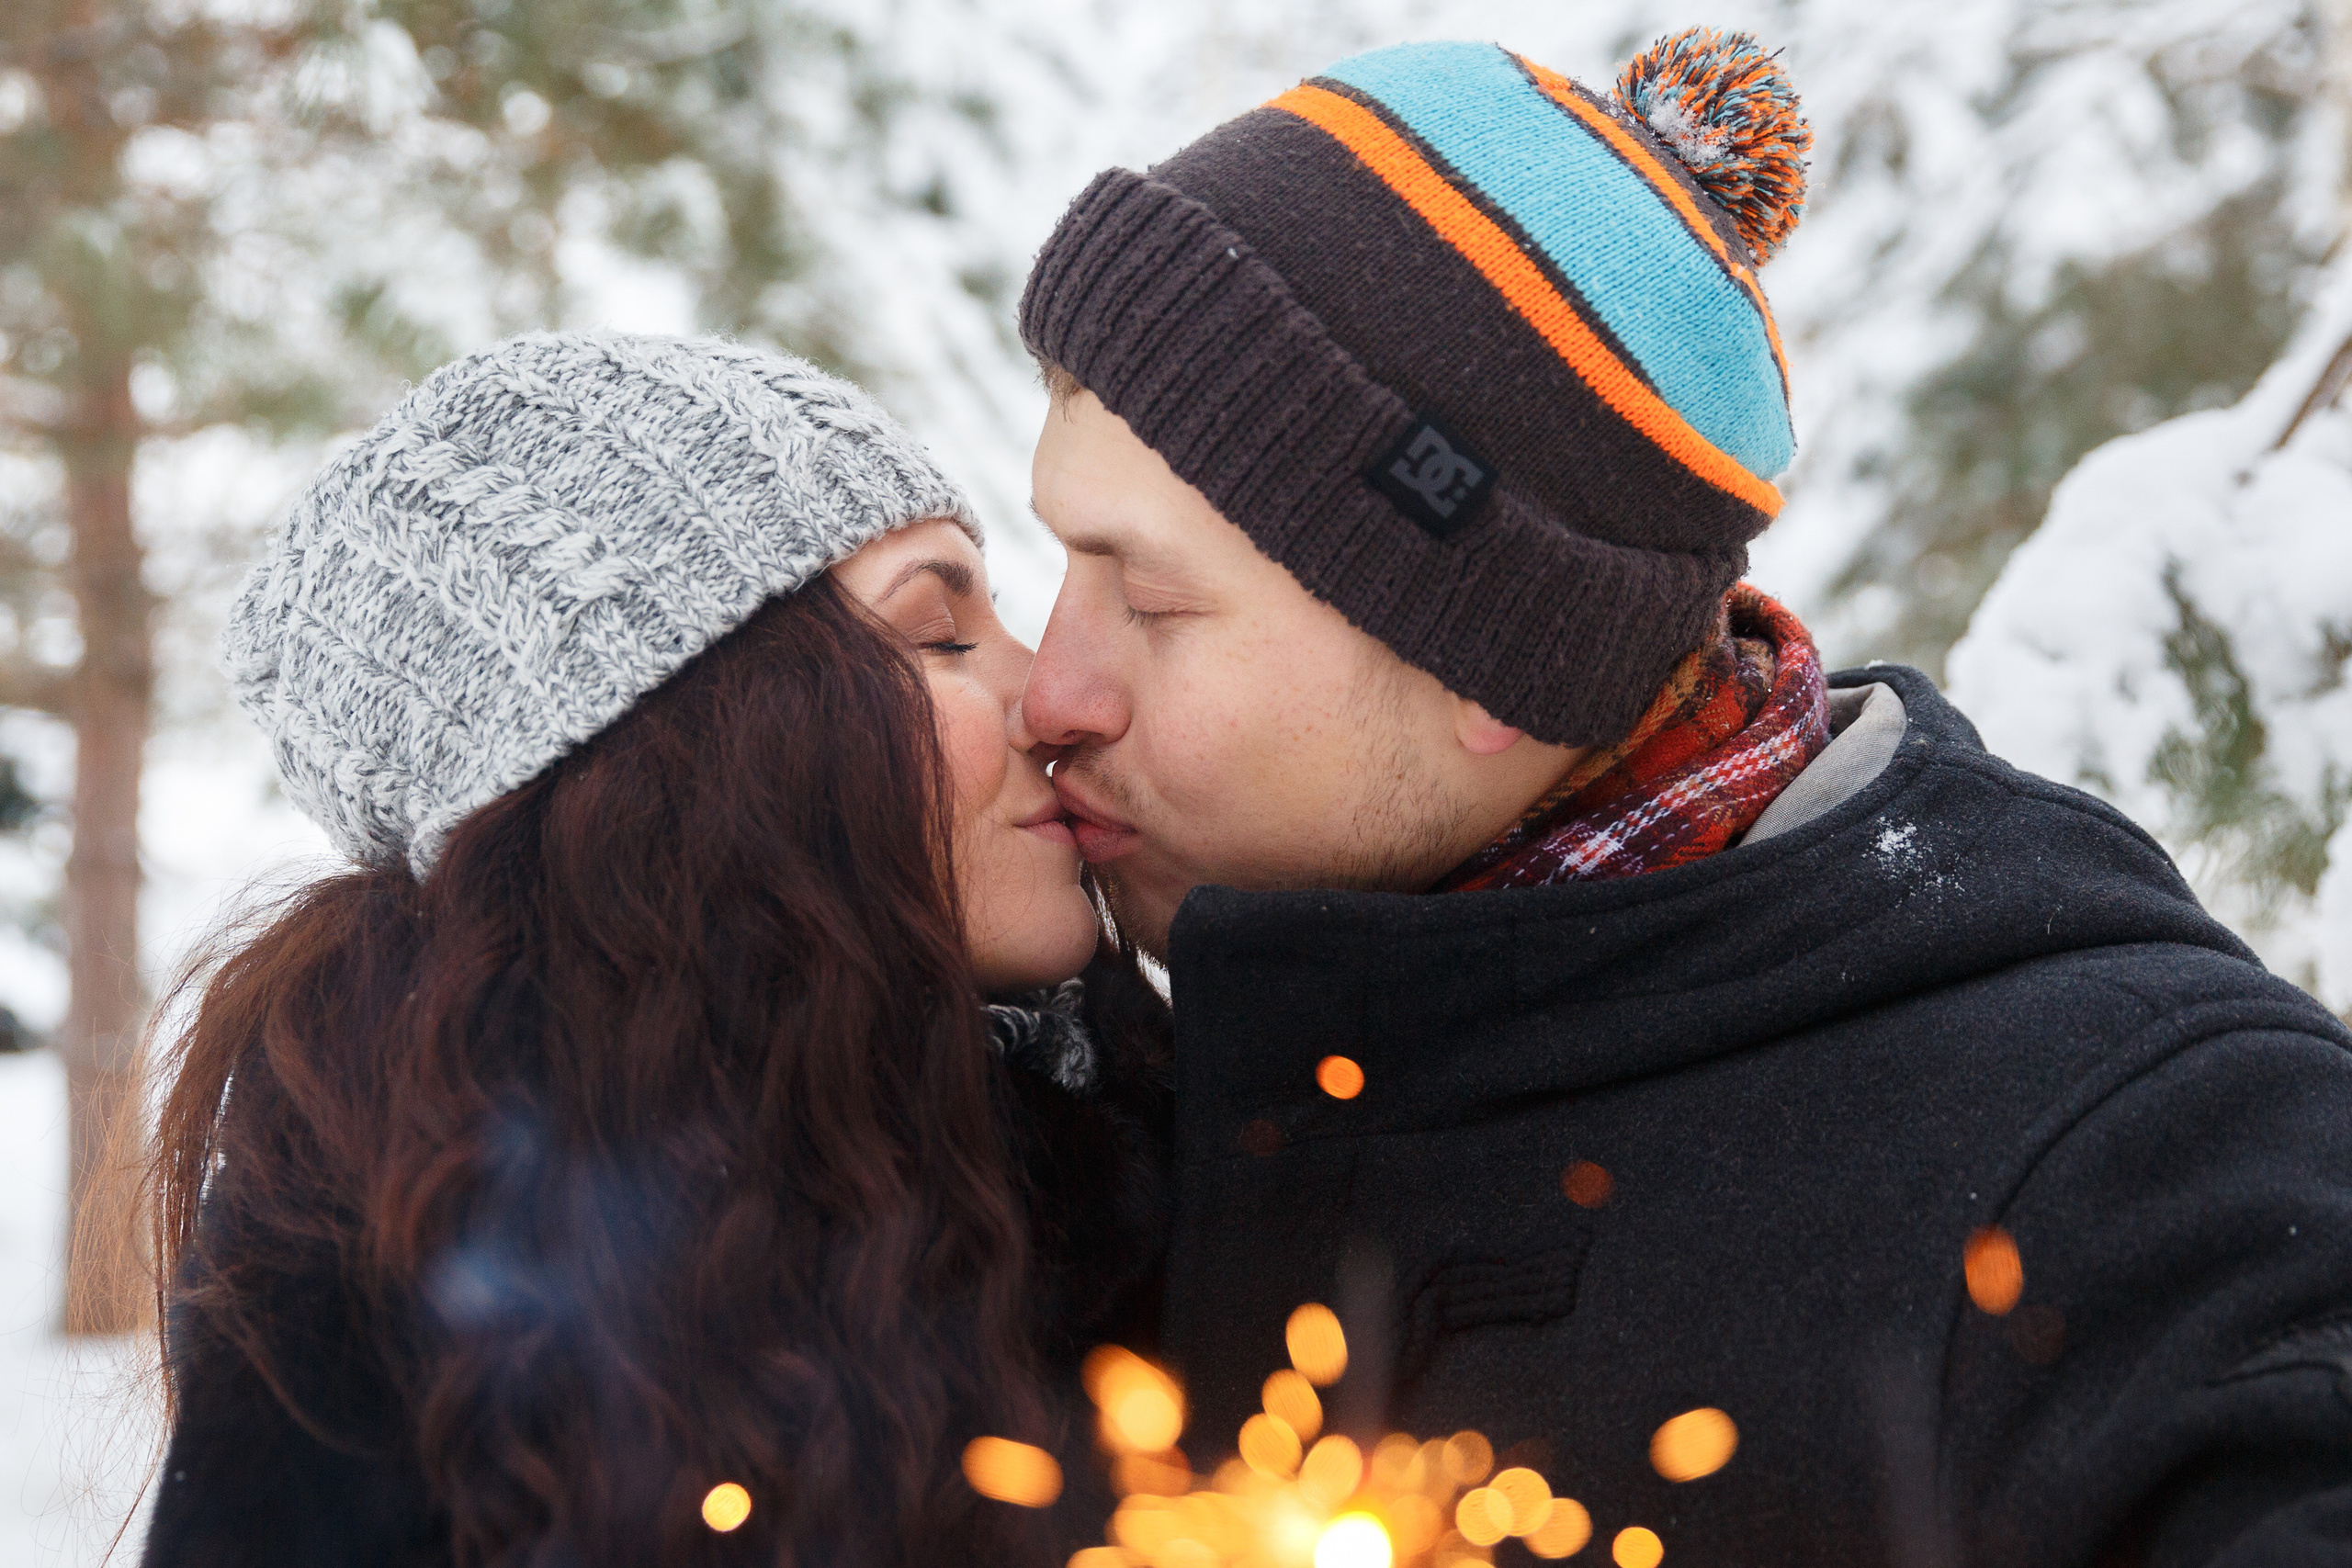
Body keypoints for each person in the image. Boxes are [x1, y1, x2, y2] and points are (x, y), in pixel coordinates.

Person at [1016, 29, 2352, 1566]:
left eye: (1155, 603)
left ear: (1496, 665)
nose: (1051, 694)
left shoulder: (2143, 1164)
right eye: (1058, 559)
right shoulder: (1123, 1087)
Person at [141, 332, 1168, 1568]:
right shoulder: (387, 1305)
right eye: (940, 636)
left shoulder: (1165, 1137)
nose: (1048, 695)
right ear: (689, 759)